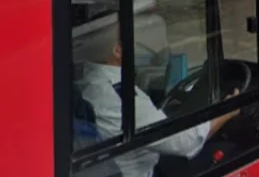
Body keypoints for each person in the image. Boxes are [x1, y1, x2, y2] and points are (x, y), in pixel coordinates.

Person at [75, 13, 241, 177]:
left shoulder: (85, 82)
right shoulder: (122, 98)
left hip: (127, 161)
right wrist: (228, 110)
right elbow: (185, 142)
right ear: (118, 50)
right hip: (142, 172)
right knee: (232, 151)